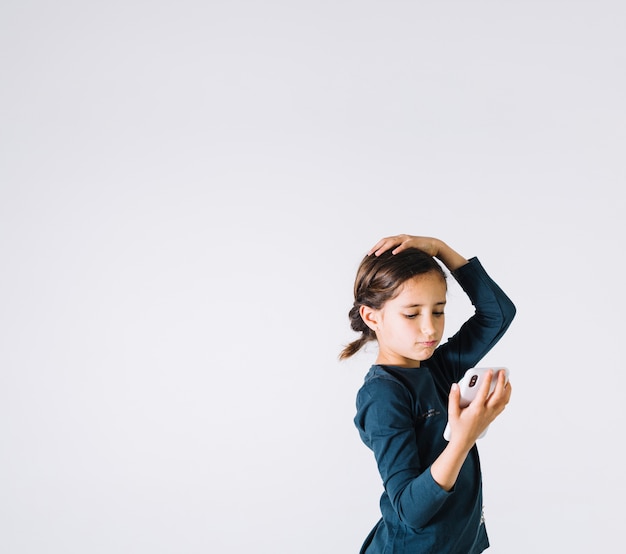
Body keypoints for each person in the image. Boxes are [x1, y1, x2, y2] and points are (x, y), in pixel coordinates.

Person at [340, 234, 516, 553]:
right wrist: (463, 438)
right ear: (372, 316)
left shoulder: (435, 367)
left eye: (438, 311)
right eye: (411, 314)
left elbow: (498, 314)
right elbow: (411, 510)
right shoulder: (382, 394)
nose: (430, 329)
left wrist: (440, 249)